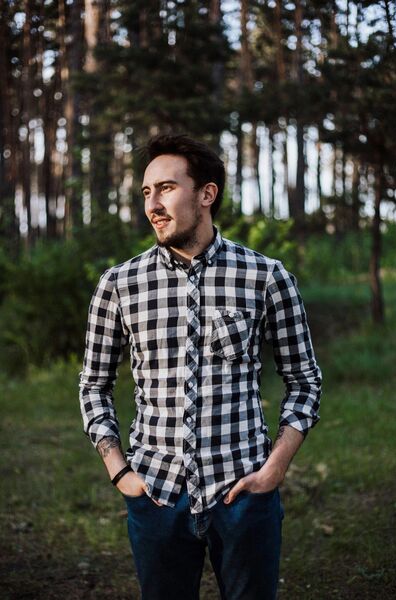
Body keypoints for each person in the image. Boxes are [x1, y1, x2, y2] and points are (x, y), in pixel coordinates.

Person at [79, 133, 322, 600]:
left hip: (244, 493)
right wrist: (120, 472)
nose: (153, 205)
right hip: (155, 495)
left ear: (206, 194)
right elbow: (93, 384)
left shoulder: (266, 277)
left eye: (166, 188)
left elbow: (305, 380)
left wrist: (274, 469)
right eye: (146, 192)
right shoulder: (118, 285)